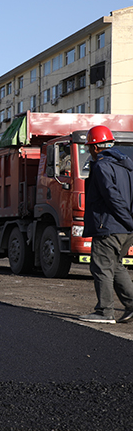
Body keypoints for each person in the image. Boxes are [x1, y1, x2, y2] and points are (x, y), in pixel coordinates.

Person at [80, 125, 133, 323]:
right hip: (125, 230)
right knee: (116, 265)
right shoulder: (127, 166)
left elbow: (112, 197)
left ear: (95, 148)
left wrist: (126, 219)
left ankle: (104, 312)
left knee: (100, 267)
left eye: (88, 148)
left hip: (108, 226)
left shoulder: (101, 166)